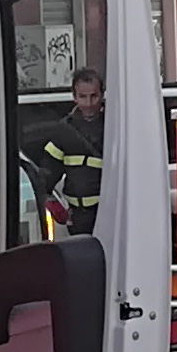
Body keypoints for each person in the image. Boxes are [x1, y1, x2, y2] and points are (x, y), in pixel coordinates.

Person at [36, 65, 109, 236]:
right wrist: (47, 199)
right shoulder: (64, 131)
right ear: (74, 97)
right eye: (83, 97)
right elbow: (48, 171)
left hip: (109, 212)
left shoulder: (114, 126)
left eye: (94, 96)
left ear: (102, 95)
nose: (89, 103)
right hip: (77, 217)